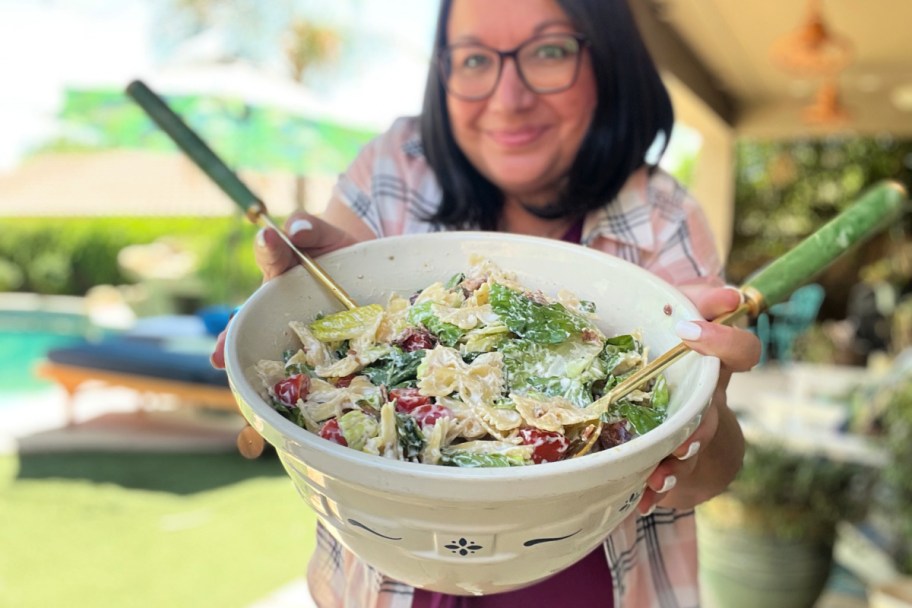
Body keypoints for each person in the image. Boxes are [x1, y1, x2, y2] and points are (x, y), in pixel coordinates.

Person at [211, 0, 761, 605]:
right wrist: (319, 302)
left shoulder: (663, 216)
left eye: (549, 51)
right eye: (475, 59)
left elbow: (712, 469)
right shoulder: (395, 165)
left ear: (608, 61)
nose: (508, 98)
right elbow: (303, 377)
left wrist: (695, 421)